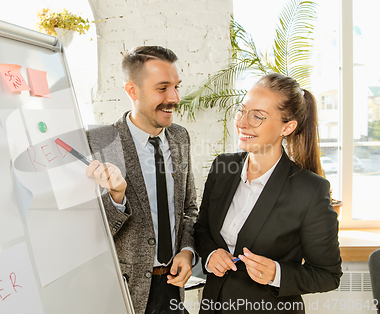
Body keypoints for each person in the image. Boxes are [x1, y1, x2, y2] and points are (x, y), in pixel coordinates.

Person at [194, 73, 342, 313]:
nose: (242, 123)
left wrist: (277, 273)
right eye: (242, 111)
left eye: (258, 117)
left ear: (288, 126)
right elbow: (201, 228)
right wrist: (211, 254)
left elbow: (328, 275)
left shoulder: (310, 190)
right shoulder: (222, 168)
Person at [85, 46, 198, 314]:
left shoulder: (180, 137)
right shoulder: (101, 143)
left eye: (176, 87)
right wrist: (117, 197)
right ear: (132, 91)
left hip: (173, 288)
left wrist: (187, 250)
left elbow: (189, 208)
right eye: (162, 88)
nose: (174, 98)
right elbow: (90, 234)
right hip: (123, 293)